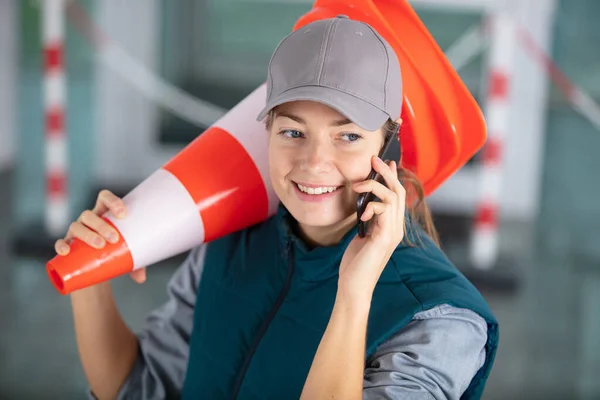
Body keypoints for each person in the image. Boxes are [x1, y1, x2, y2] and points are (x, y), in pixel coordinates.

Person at [55, 15, 498, 400]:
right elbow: (143, 389)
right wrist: (90, 281)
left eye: (348, 136)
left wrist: (354, 292)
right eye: (292, 132)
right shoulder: (228, 239)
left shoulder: (440, 318)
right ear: (265, 131)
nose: (314, 164)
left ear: (389, 144)